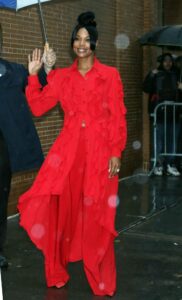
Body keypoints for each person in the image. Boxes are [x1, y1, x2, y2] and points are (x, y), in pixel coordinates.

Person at [18, 11, 127, 296]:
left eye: (87, 39)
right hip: (66, 155)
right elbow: (39, 106)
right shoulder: (63, 77)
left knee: (98, 217)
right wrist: (35, 76)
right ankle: (56, 273)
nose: (81, 44)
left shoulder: (110, 76)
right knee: (59, 214)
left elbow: (118, 116)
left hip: (99, 155)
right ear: (72, 44)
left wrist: (115, 151)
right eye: (77, 39)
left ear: (95, 44)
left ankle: (101, 280)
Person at [0, 24, 56, 268]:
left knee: (0, 201)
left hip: (4, 148)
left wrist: (47, 67)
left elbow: (41, 86)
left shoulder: (14, 72)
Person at [143, 53, 181, 176]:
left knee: (173, 141)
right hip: (159, 114)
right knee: (158, 141)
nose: (168, 63)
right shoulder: (156, 74)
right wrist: (150, 75)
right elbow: (146, 88)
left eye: (170, 61)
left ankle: (170, 164)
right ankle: (158, 165)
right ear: (161, 62)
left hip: (175, 115)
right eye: (165, 61)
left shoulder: (178, 75)